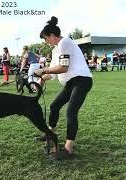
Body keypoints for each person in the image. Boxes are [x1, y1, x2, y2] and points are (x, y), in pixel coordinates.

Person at [34, 16, 93, 159]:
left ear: (53, 36)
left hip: (82, 81)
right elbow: (54, 73)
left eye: (46, 38)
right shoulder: (56, 49)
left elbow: (63, 68)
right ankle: (50, 134)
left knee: (71, 112)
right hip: (72, 82)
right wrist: (41, 80)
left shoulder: (65, 42)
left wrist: (44, 71)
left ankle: (68, 149)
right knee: (54, 106)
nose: (45, 41)